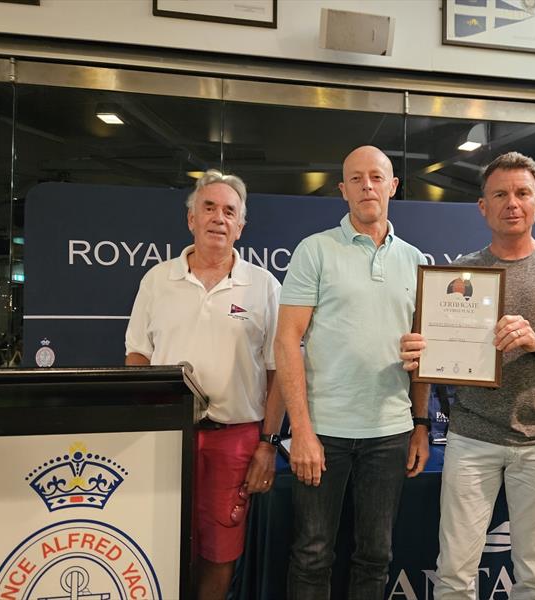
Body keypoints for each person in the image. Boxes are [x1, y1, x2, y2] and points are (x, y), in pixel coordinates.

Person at [401, 151, 535, 600]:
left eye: (521, 193)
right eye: (500, 194)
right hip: (472, 437)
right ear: (483, 206)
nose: (511, 203)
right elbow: (430, 359)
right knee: (454, 575)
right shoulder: (459, 273)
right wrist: (423, 382)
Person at [275, 145, 430, 600]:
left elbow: (425, 354)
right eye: (357, 179)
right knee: (312, 554)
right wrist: (300, 430)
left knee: (376, 556)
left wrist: (421, 425)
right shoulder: (315, 250)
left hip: (390, 433)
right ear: (343, 190)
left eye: (377, 177)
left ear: (393, 186)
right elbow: (287, 341)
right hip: (324, 433)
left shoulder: (417, 260)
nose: (368, 186)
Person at [124, 170, 283, 600]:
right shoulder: (157, 281)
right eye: (208, 208)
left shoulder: (264, 286)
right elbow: (137, 356)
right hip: (167, 438)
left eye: (229, 211)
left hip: (235, 440)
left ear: (241, 226)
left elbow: (277, 373)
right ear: (190, 218)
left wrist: (268, 445)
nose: (218, 218)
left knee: (220, 551)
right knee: (160, 539)